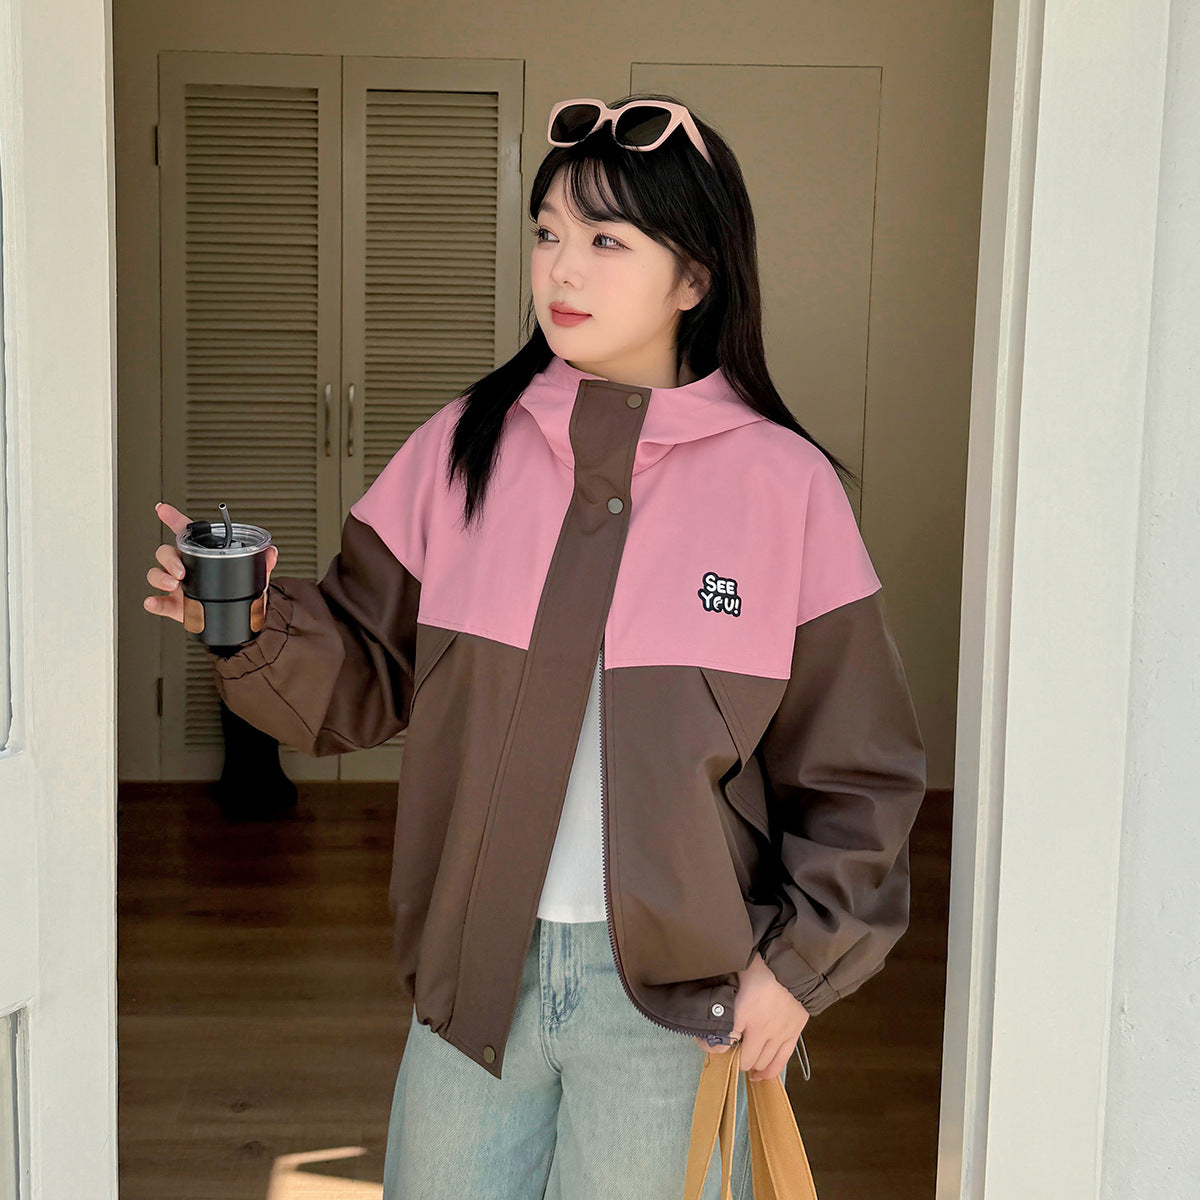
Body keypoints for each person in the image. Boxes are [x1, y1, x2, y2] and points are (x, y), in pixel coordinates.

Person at [144, 92, 927, 1200]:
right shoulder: (461, 447)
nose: (562, 268)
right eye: (549, 232)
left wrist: (796, 970)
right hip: (478, 979)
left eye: (607, 241)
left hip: (677, 1007)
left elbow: (860, 772)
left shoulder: (786, 488)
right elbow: (363, 669)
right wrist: (254, 623)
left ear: (695, 278)